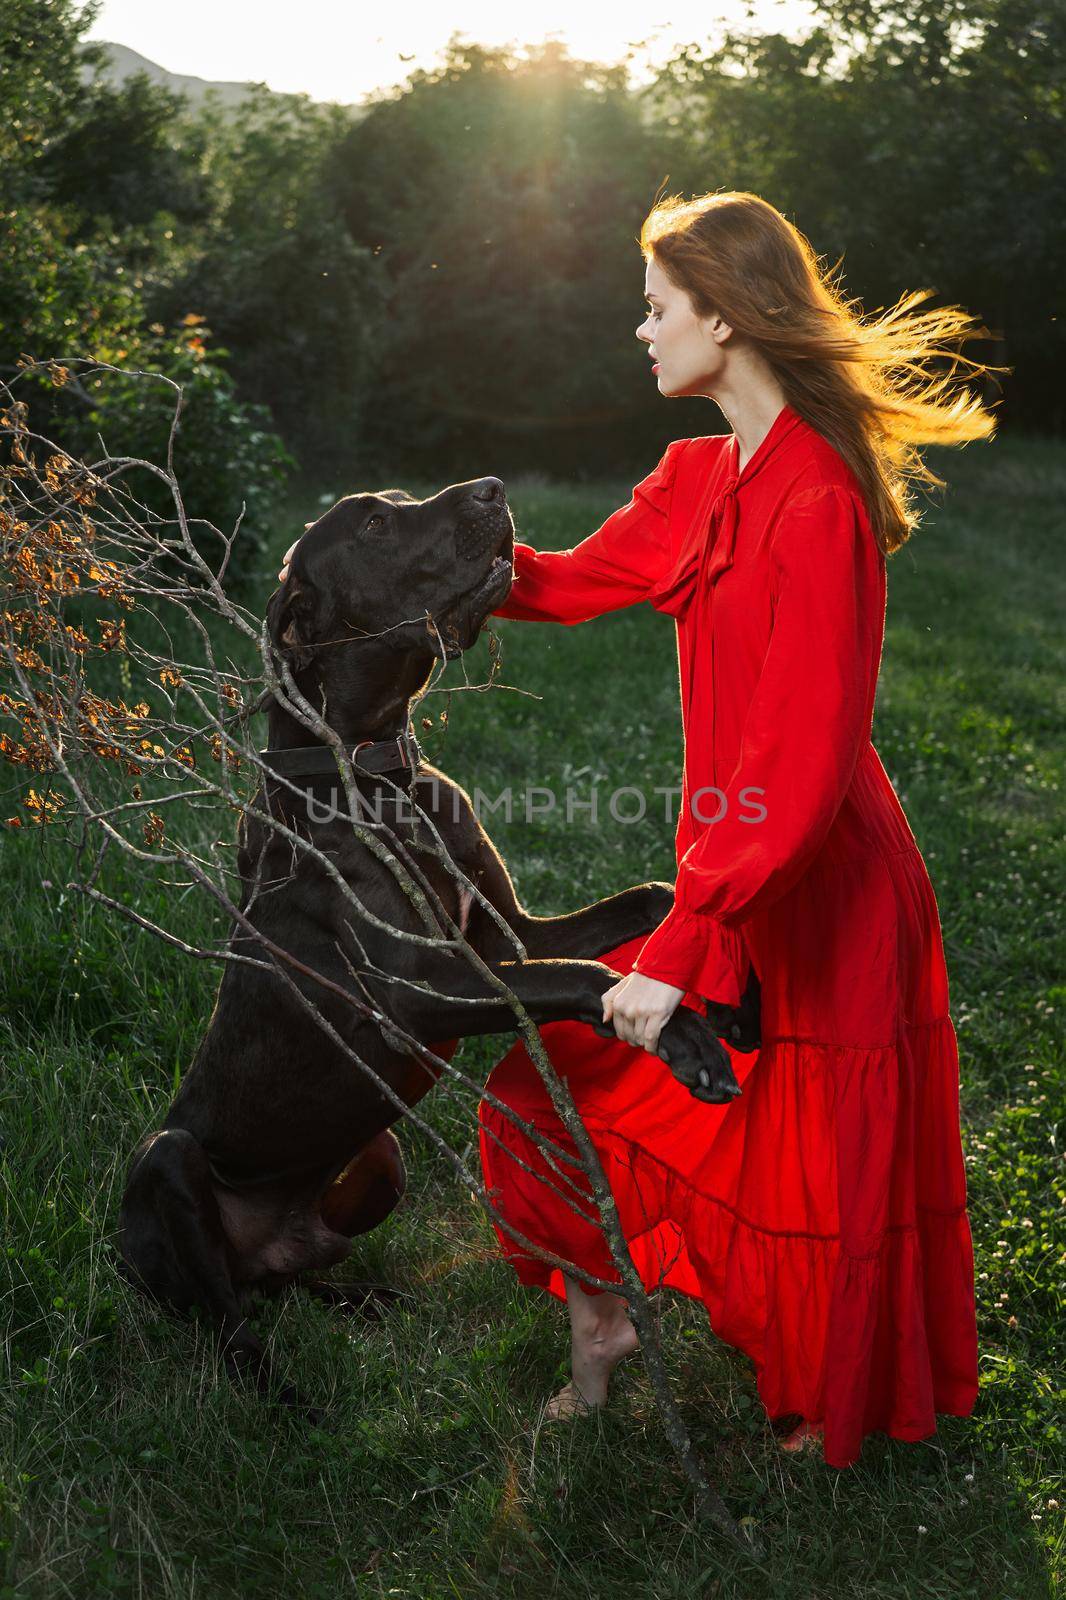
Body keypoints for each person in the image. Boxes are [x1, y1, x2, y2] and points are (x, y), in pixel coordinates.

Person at [277, 191, 991, 1470]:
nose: (642, 328)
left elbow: (800, 757)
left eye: (658, 306)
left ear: (723, 312)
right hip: (741, 860)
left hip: (814, 876)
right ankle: (601, 1330)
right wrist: (414, 557)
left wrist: (683, 940)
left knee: (812, 1153)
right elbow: (567, 579)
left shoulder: (814, 504)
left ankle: (822, 1411)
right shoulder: (706, 477)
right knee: (547, 1095)